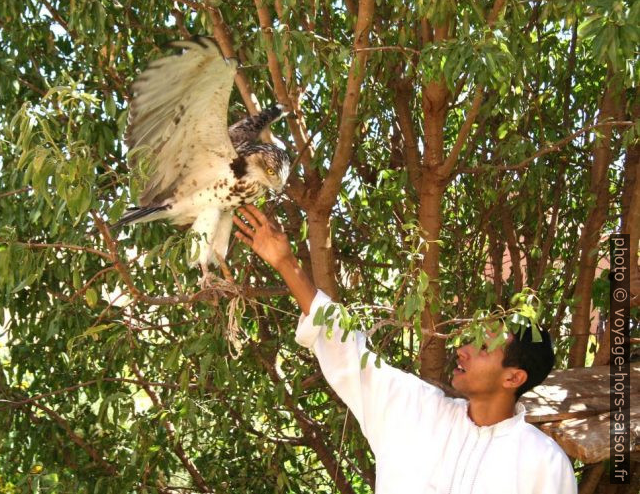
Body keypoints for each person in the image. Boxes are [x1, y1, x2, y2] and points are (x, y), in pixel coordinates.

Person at [233, 205, 577, 494]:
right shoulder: (416, 410)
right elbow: (347, 348)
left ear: (514, 376)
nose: (463, 350)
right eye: (470, 337)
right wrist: (286, 263)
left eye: (483, 346)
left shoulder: (544, 465)